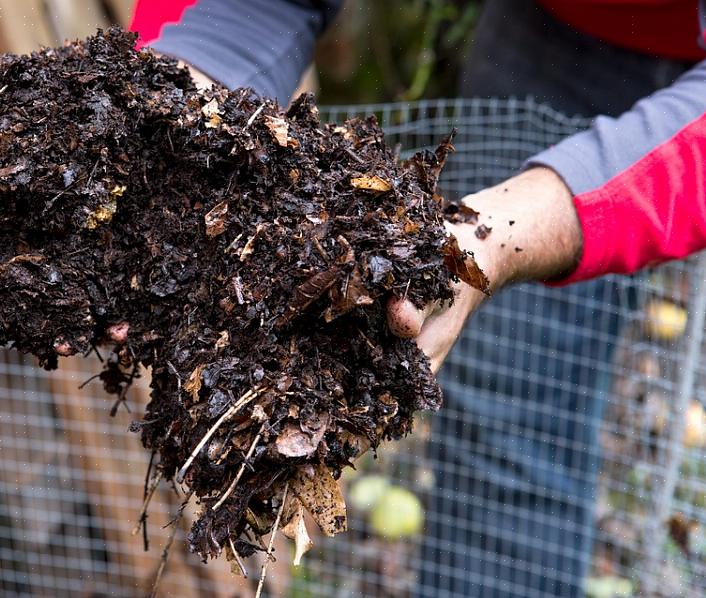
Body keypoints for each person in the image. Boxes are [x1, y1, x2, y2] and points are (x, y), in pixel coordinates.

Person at [130, 1, 706, 596]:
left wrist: (490, 242)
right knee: (496, 402)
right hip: (559, 25)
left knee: (524, 412)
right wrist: (180, 92)